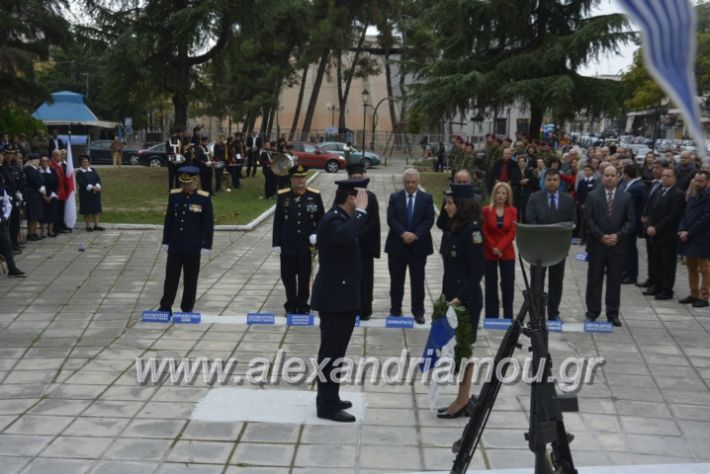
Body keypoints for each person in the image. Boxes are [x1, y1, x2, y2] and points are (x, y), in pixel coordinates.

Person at [310, 179, 370, 423]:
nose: (363, 202)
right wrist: (362, 213)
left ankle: (330, 397)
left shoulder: (341, 218)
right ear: (351, 198)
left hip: (340, 297)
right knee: (331, 353)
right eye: (360, 198)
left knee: (336, 352)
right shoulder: (335, 219)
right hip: (334, 299)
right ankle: (327, 406)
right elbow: (346, 237)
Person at [437, 183, 484, 418]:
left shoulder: (472, 231)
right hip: (452, 299)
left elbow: (477, 271)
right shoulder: (455, 227)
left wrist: (458, 298)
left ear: (462, 205)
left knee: (464, 351)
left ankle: (463, 400)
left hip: (466, 301)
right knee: (456, 351)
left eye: (451, 203)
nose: (446, 207)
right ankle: (460, 398)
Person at [583, 166, 636, 327]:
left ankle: (612, 314)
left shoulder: (626, 197)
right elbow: (588, 219)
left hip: (617, 247)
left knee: (614, 282)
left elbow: (631, 220)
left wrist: (618, 236)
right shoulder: (592, 196)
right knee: (594, 280)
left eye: (613, 175)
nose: (610, 178)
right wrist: (601, 236)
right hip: (597, 246)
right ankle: (592, 312)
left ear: (618, 177)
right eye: (607, 175)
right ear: (602, 177)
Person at [158, 166, 214, 314]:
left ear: (195, 181)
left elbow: (208, 224)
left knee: (190, 280)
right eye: (183, 183)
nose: (185, 186)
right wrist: (165, 240)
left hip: (193, 246)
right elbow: (168, 220)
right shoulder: (175, 195)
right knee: (170, 279)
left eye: (188, 183)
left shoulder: (203, 198)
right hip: (175, 245)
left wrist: (207, 245)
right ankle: (165, 306)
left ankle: (187, 308)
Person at [272, 164, 325, 315]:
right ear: (291, 179)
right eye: (297, 177)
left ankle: (302, 304)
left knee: (304, 276)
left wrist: (317, 234)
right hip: (288, 244)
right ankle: (291, 303)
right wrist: (276, 243)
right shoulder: (284, 196)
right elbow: (278, 222)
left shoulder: (314, 195)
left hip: (307, 246)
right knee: (287, 276)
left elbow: (322, 220)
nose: (300, 181)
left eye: (302, 177)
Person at [384, 169, 435, 324]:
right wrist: (403, 234)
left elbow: (429, 220)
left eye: (413, 182)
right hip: (397, 245)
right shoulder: (395, 197)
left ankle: (418, 311)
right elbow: (391, 219)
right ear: (403, 182)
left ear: (418, 182)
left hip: (418, 246)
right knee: (396, 280)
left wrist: (414, 235)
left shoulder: (426, 198)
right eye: (408, 182)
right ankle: (395, 309)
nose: (411, 185)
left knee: (418, 281)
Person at [525, 169, 577, 321]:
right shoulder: (534, 197)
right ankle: (536, 313)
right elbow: (530, 220)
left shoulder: (568, 200)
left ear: (559, 182)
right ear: (544, 181)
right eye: (549, 179)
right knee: (537, 282)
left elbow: (573, 221)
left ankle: (553, 312)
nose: (552, 182)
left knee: (556, 281)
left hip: (558, 248)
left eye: (555, 179)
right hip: (539, 248)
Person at [642, 167, 686, 300]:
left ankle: (667, 290)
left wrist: (657, 228)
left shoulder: (678, 194)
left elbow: (672, 216)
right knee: (656, 262)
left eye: (668, 176)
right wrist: (649, 225)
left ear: (674, 179)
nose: (664, 178)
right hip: (654, 234)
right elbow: (651, 211)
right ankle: (657, 285)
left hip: (668, 235)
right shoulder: (659, 191)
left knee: (667, 264)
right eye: (663, 176)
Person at [346, 163, 380, 320]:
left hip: (364, 247)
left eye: (360, 178)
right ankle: (349, 307)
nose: (357, 181)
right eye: (354, 178)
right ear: (349, 178)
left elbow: (374, 222)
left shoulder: (371, 197)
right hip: (347, 245)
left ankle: (365, 308)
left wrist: (358, 233)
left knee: (365, 279)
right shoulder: (344, 195)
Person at [482, 182, 517, 319]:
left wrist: (500, 247)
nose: (501, 196)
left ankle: (508, 316)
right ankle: (492, 316)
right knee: (490, 285)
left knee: (508, 284)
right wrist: (493, 248)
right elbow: (484, 231)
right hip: (490, 252)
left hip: (507, 252)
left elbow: (512, 232)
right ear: (494, 195)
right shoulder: (486, 210)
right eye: (498, 193)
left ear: (507, 195)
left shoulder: (513, 211)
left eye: (504, 193)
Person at [678, 170, 710, 308]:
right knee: (691, 267)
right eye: (696, 181)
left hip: (703, 237)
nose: (697, 183)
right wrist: (681, 229)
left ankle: (704, 296)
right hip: (689, 236)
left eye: (700, 181)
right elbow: (685, 214)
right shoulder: (693, 195)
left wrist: (688, 232)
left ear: (707, 182)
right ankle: (694, 293)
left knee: (705, 268)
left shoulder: (708, 196)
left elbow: (705, 219)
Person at [621, 165, 646, 284]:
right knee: (626, 249)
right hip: (628, 222)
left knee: (630, 249)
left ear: (626, 174)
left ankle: (631, 275)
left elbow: (628, 206)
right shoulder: (631, 186)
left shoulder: (635, 188)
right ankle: (625, 272)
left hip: (632, 223)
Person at [0, 176, 26, 278]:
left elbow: (7, 204)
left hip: (1, 223)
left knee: (7, 245)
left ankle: (12, 268)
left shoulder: (2, 191)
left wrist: (5, 216)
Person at [76, 155, 105, 232]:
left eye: (86, 161)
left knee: (96, 209)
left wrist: (97, 187)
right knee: (87, 210)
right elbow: (82, 183)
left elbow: (98, 179)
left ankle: (96, 225)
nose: (85, 163)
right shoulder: (79, 173)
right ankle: (88, 226)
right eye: (83, 161)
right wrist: (92, 188)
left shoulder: (93, 170)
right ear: (80, 163)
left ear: (89, 162)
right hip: (86, 194)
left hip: (96, 193)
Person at [24, 152, 45, 241]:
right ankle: (30, 233)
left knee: (35, 215)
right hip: (32, 195)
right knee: (32, 216)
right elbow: (34, 180)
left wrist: (42, 186)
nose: (38, 161)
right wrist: (40, 187)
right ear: (33, 160)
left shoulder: (35, 169)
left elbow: (40, 179)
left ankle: (33, 232)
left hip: (36, 195)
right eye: (37, 160)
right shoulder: (29, 169)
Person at [49, 149, 70, 233]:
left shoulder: (60, 165)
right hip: (55, 191)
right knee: (55, 210)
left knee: (61, 209)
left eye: (61, 155)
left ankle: (61, 224)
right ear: (53, 156)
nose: (60, 157)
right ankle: (55, 227)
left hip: (62, 191)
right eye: (58, 155)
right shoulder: (51, 165)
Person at [38, 155, 59, 238]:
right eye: (43, 161)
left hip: (52, 196)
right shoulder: (38, 172)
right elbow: (37, 184)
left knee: (52, 214)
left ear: (49, 162)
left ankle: (50, 231)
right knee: (42, 214)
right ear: (40, 162)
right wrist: (44, 196)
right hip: (41, 196)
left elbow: (57, 184)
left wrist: (51, 196)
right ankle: (43, 231)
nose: (45, 163)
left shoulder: (53, 171)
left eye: (47, 161)